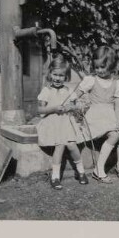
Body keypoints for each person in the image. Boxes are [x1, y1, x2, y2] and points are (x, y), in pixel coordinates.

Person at [70, 46, 119, 183]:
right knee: (114, 135)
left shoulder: (118, 83)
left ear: (112, 66)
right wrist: (71, 100)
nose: (99, 71)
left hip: (110, 116)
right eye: (97, 67)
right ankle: (99, 170)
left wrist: (118, 122)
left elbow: (118, 105)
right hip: (95, 117)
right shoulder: (91, 80)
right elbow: (76, 94)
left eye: (103, 67)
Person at [36, 55, 89, 190]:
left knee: (71, 145)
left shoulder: (68, 91)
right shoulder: (46, 90)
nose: (58, 78)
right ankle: (55, 176)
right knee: (60, 145)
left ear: (65, 77)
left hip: (66, 123)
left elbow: (77, 105)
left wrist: (71, 107)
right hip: (52, 124)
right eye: (55, 74)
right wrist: (54, 108)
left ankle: (81, 172)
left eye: (61, 76)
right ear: (50, 74)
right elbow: (40, 110)